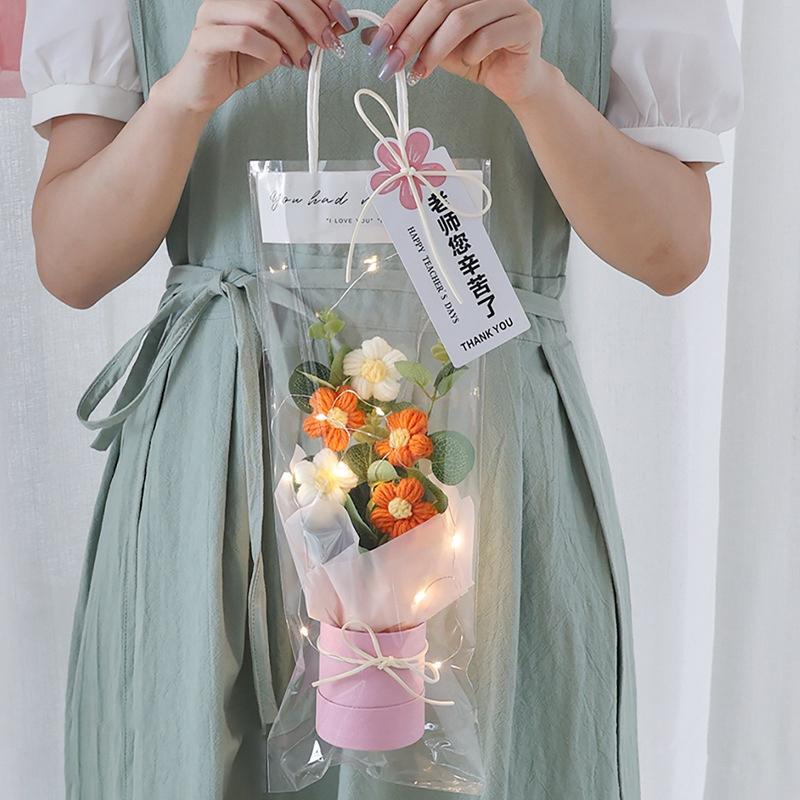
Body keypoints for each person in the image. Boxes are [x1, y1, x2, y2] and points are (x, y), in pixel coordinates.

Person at [21, 1, 743, 798]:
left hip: (484, 471)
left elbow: (672, 249)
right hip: (219, 480)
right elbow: (72, 262)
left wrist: (535, 88)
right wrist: (184, 95)